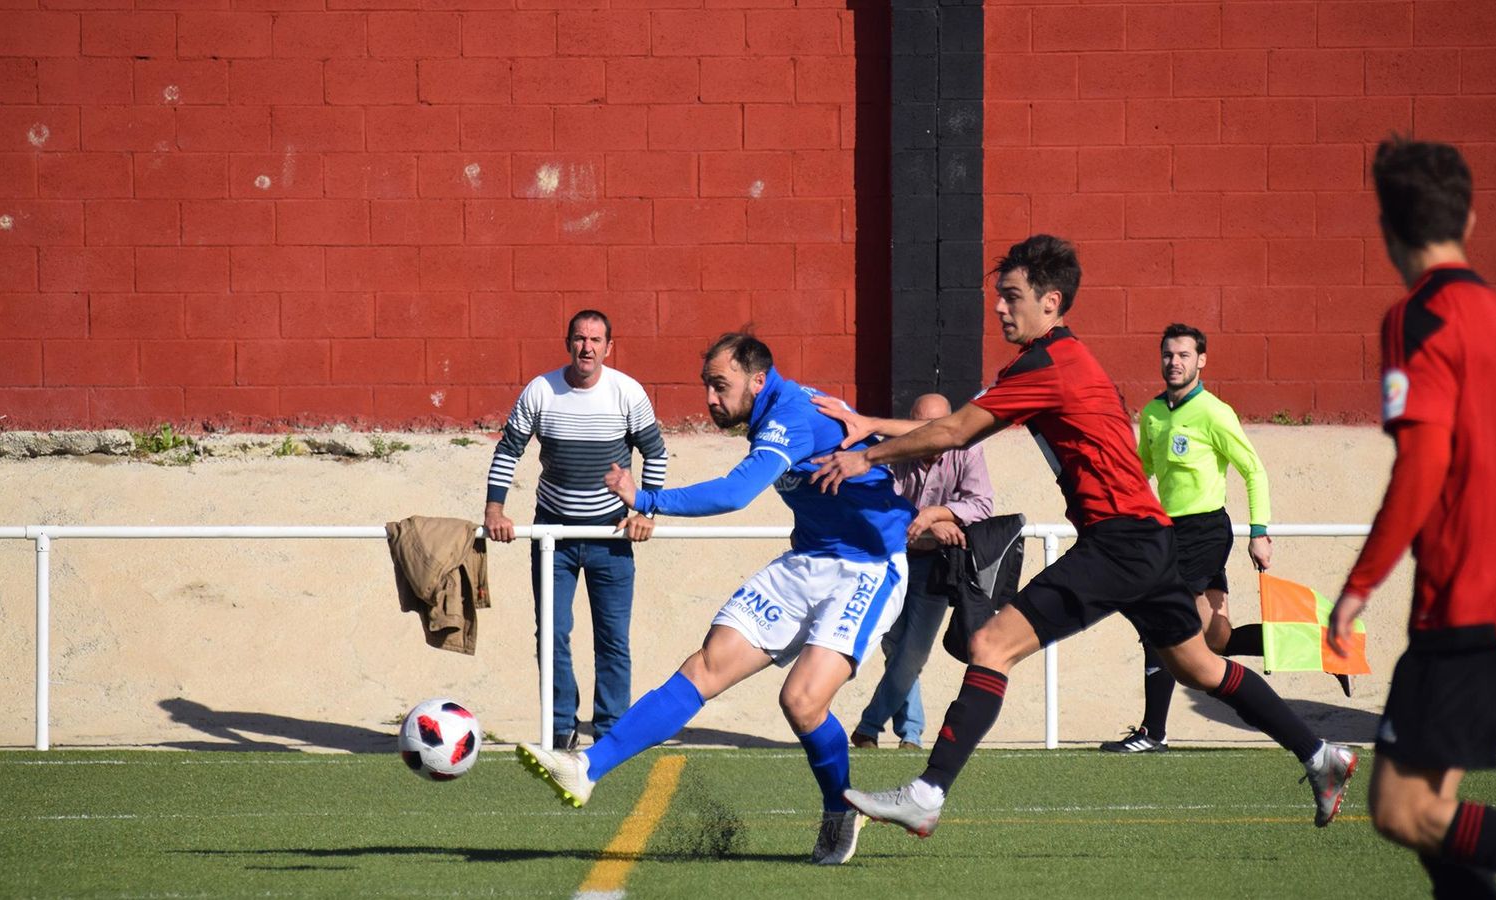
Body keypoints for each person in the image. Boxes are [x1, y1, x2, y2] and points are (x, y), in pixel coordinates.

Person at [811, 234, 1357, 839]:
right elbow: (952, 425)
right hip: (1146, 539)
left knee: (991, 645)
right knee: (1200, 667)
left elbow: (955, 433)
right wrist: (870, 425)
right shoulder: (1059, 360)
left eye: (1011, 296)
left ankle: (928, 792)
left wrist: (868, 456)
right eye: (998, 296)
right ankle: (1319, 756)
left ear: (1051, 302)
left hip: (1120, 541)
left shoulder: (1046, 367)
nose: (999, 308)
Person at [516, 333, 914, 866]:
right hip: (808, 561)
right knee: (705, 666)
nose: (710, 398)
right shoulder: (774, 413)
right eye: (707, 385)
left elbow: (734, 494)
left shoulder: (790, 416)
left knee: (800, 702)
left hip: (867, 567)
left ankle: (840, 807)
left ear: (757, 380)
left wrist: (647, 500)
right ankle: (587, 768)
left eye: (720, 385)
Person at [1327, 139, 1496, 897]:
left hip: (1468, 593)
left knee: (1400, 807)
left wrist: (1359, 585)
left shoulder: (1419, 318)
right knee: (1432, 810)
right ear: (1472, 217)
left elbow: (1421, 466)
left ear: (1388, 228)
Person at [1101, 323, 1325, 755]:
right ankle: (1320, 643)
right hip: (1167, 532)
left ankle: (1153, 732)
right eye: (1168, 354)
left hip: (1204, 530)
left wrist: (1259, 532)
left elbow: (1253, 470)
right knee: (1217, 638)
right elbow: (1141, 470)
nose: (1175, 362)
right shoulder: (1151, 413)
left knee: (1159, 621)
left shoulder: (1215, 412)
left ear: (1201, 360)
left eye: (1184, 355)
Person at [485, 310, 668, 750]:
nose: (587, 347)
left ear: (610, 347)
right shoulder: (541, 391)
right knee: (551, 632)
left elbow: (656, 453)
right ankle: (560, 728)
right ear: (568, 342)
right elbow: (509, 450)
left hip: (612, 536)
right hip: (554, 538)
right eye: (580, 338)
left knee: (612, 640)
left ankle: (610, 735)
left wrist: (645, 512)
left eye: (596, 340)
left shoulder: (627, 392)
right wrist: (495, 510)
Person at [851, 392, 993, 752]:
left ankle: (869, 725)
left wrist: (940, 513)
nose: (931, 432)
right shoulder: (893, 449)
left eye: (939, 425)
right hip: (890, 557)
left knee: (913, 652)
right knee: (894, 644)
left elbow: (982, 504)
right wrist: (930, 520)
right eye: (922, 426)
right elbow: (883, 507)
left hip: (937, 564)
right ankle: (911, 734)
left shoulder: (968, 449)